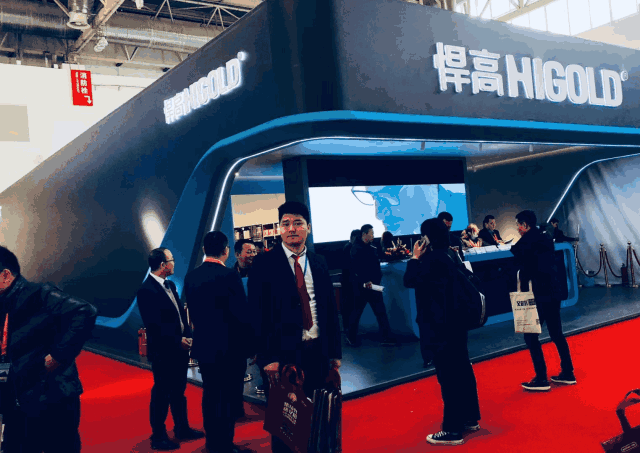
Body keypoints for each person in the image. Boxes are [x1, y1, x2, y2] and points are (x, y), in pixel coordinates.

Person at [248, 201, 342, 453]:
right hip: (281, 356)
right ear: (280, 228)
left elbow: (330, 310)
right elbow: (256, 313)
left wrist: (335, 353)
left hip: (318, 351)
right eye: (286, 223)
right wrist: (267, 357)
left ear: (308, 227)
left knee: (317, 417)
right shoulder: (264, 263)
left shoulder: (319, 262)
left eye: (298, 223)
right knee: (285, 424)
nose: (292, 229)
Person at [0, 245, 97, 453]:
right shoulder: (4, 303)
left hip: (53, 396)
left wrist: (57, 357)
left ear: (5, 275)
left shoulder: (39, 293)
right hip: (18, 399)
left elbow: (84, 311)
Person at [403, 219, 481, 446]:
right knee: (463, 369)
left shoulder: (430, 260)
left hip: (439, 327)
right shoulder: (450, 255)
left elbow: (409, 280)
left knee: (448, 376)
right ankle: (469, 418)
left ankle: (452, 429)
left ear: (427, 237)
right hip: (457, 323)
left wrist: (414, 258)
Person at [183, 232, 251, 453]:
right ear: (226, 250)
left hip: (205, 347)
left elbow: (193, 314)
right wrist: (250, 347)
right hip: (230, 349)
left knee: (211, 395)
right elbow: (241, 315)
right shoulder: (230, 276)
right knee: (229, 398)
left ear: (204, 249)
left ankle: (213, 444)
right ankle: (226, 445)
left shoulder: (191, 277)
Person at [137, 247, 204, 450]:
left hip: (180, 350)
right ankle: (158, 436)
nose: (174, 263)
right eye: (172, 260)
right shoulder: (146, 290)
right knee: (161, 394)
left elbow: (180, 315)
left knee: (178, 392)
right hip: (163, 352)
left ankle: (182, 428)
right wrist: (177, 340)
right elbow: (154, 325)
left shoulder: (171, 285)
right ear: (163, 265)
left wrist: (188, 337)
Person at [510, 210, 575, 391]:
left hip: (540, 294)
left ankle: (541, 378)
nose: (518, 229)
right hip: (553, 292)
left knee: (531, 336)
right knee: (556, 333)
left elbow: (516, 254)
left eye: (519, 225)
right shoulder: (545, 237)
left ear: (525, 225)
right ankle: (568, 372)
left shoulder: (529, 241)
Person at [348, 224, 396, 346]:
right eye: (371, 233)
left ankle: (386, 337)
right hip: (364, 287)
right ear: (365, 234)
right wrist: (366, 280)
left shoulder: (371, 247)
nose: (373, 236)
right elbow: (357, 267)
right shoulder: (356, 248)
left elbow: (378, 258)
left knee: (379, 312)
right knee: (358, 312)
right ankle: (351, 336)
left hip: (373, 286)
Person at [340, 229, 361, 333]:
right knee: (349, 306)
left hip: (348, 281)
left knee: (349, 306)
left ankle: (349, 329)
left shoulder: (348, 247)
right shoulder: (349, 248)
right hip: (349, 282)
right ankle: (348, 329)